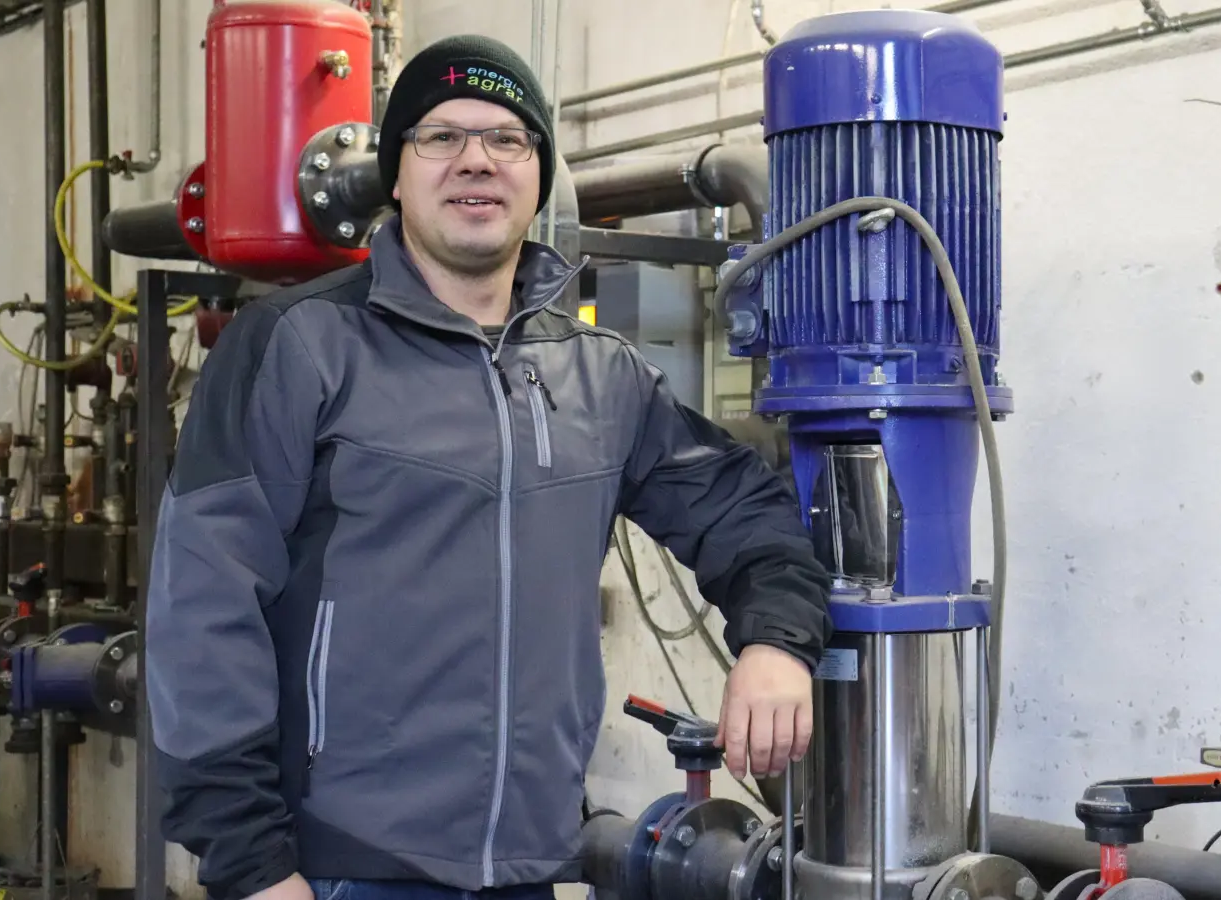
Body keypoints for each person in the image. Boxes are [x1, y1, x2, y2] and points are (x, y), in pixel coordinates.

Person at [143, 34, 833, 900]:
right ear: (395, 174)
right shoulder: (297, 346)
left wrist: (776, 642)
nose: (476, 159)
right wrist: (250, 865)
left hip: (531, 867)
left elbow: (745, 511)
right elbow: (202, 606)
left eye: (507, 139)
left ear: (538, 174)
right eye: (441, 136)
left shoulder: (599, 375)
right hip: (335, 872)